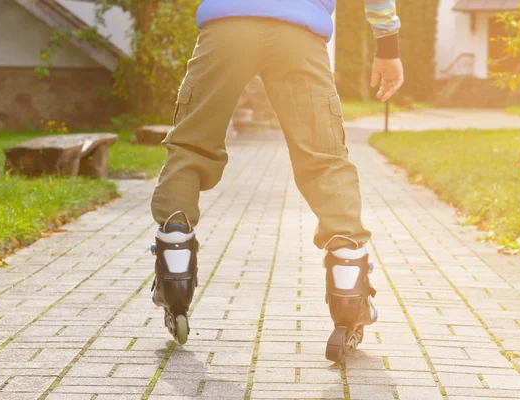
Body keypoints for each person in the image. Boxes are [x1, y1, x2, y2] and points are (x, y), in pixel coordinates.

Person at [150, 0, 403, 362]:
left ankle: (175, 248)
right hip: (298, 30)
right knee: (324, 158)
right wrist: (387, 46)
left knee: (191, 146)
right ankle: (349, 280)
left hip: (227, 24)